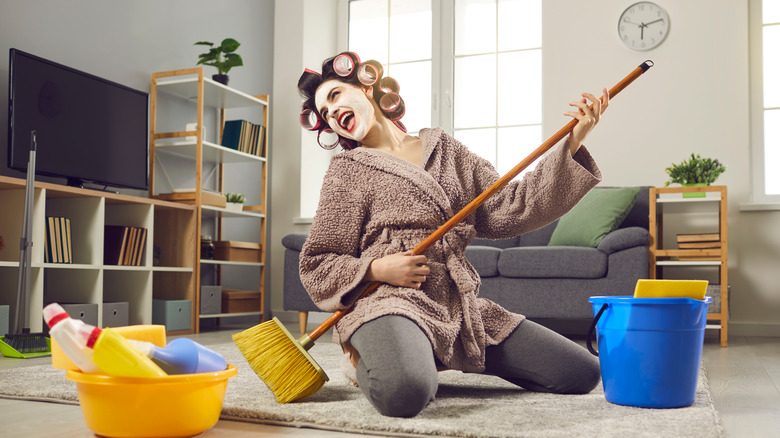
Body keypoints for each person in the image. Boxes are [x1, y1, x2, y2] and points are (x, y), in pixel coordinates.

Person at [297, 51, 608, 418]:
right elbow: (317, 262)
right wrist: (377, 270)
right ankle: (371, 356)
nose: (332, 114)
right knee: (405, 393)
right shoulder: (346, 172)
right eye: (326, 114)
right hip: (388, 299)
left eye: (334, 97)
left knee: (580, 373)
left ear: (366, 87)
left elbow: (508, 208)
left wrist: (571, 142)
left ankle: (423, 351)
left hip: (455, 303)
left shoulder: (445, 150)